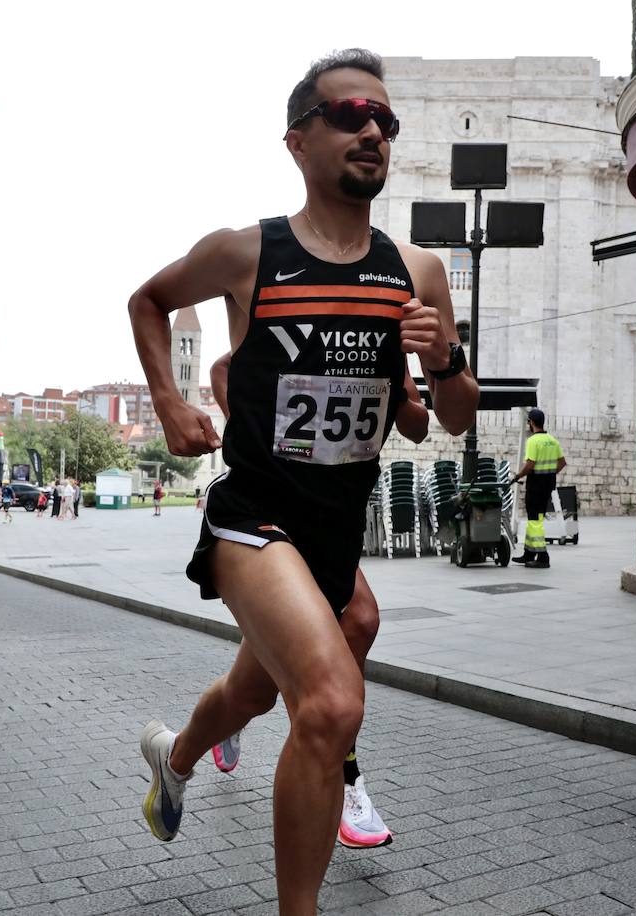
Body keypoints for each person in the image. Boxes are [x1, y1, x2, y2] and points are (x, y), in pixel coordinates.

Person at [128, 49, 477, 914]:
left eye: (385, 122)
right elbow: (148, 300)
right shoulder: (248, 253)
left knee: (251, 692)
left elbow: (458, 415)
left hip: (332, 534)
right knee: (326, 704)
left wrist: (446, 358)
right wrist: (169, 403)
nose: (372, 131)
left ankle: (174, 761)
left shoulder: (418, 270)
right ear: (298, 140)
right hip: (252, 517)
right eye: (352, 114)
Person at [206, 349, 428, 849]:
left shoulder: (379, 322)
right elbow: (224, 370)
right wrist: (252, 442)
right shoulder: (302, 299)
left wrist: (392, 384)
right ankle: (346, 778)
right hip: (272, 508)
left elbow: (418, 424)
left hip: (330, 514)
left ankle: (210, 734)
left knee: (265, 676)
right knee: (348, 632)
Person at [512, 408, 567, 568]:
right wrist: (550, 473)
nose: (528, 424)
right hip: (548, 484)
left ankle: (543, 556)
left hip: (535, 485)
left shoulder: (533, 441)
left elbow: (530, 464)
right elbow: (562, 462)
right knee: (536, 519)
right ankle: (529, 553)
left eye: (528, 421)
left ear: (532, 423)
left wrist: (517, 476)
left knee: (535, 520)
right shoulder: (552, 440)